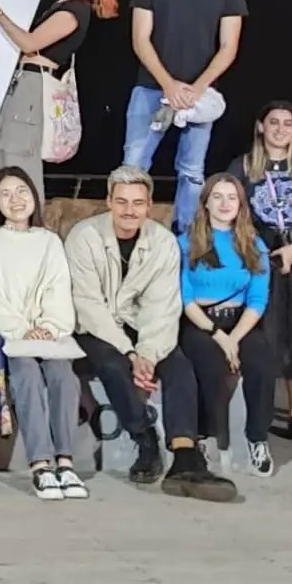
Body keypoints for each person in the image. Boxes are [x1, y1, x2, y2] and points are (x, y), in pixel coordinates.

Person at [124, 0, 248, 232]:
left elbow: (228, 47)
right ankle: (128, 236)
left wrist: (196, 89)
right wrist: (168, 85)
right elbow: (140, 39)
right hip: (152, 89)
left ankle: (185, 243)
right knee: (133, 167)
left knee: (192, 173)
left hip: (200, 97)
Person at [0, 0, 120, 222]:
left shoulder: (75, 11)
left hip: (32, 85)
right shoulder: (60, 6)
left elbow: (29, 43)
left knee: (16, 157)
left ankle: (28, 228)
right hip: (21, 81)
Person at [65, 165, 184, 486]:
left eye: (137, 203)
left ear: (149, 205)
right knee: (113, 364)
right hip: (93, 326)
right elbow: (88, 305)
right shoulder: (85, 237)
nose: (129, 211)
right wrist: (132, 355)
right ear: (108, 201)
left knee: (178, 363)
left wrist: (147, 354)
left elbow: (162, 308)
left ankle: (187, 449)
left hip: (137, 325)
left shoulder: (163, 243)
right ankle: (144, 438)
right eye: (121, 202)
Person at [0, 168, 89, 500]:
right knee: (26, 375)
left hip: (49, 333)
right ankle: (41, 464)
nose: (16, 200)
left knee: (63, 377)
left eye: (22, 191)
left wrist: (49, 327)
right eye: (6, 194)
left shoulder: (49, 241)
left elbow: (58, 288)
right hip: (11, 334)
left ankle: (65, 463)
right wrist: (25, 330)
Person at [227, 102, 292, 442]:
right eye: (274, 122)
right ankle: (257, 408)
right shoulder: (243, 167)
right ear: (261, 127)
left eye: (288, 123)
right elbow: (232, 212)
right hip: (258, 258)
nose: (280, 129)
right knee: (260, 332)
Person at [177, 173, 276, 477]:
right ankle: (206, 437)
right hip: (200, 322)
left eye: (232, 197)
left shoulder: (254, 244)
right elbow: (185, 297)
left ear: (240, 205)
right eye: (217, 197)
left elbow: (258, 299)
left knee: (261, 362)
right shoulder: (185, 242)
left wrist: (235, 337)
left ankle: (257, 439)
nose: (225, 204)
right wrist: (219, 336)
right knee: (209, 364)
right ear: (205, 202)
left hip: (240, 321)